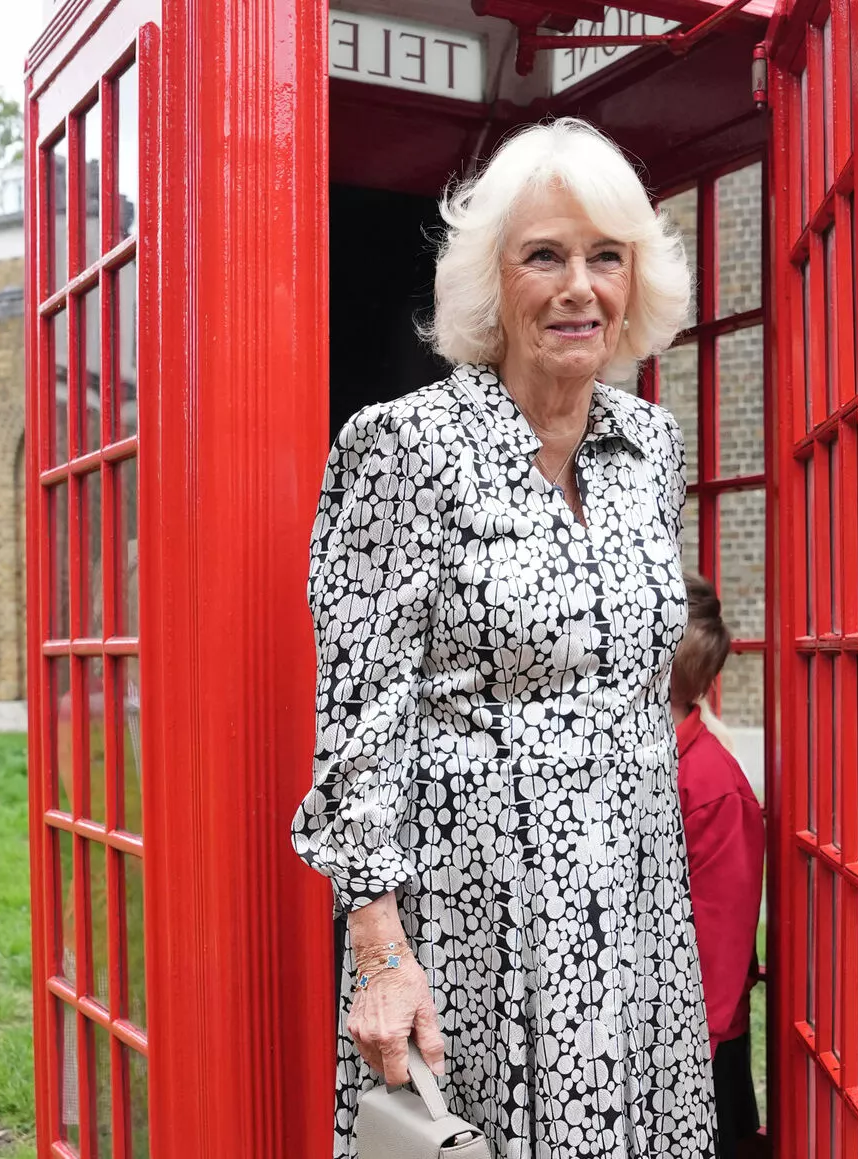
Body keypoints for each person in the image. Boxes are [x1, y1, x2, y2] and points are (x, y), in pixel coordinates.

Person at [290, 118, 714, 1158]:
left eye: (605, 256)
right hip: (480, 910)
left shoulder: (650, 445)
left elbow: (635, 664)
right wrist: (381, 953)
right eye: (544, 256)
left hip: (636, 897)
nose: (579, 288)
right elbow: (360, 713)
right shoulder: (406, 447)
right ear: (493, 280)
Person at [670, 573, 766, 1159]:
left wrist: (685, 1060)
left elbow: (721, 938)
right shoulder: (646, 758)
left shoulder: (711, 784)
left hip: (698, 1048)